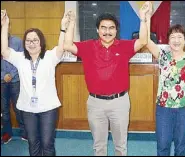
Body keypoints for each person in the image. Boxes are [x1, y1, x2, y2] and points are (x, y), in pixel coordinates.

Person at [63, 2, 149, 156]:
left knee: (120, 146)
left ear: (116, 30)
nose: (107, 31)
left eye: (111, 28)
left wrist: (143, 19)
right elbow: (68, 45)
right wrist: (71, 23)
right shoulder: (88, 46)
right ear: (98, 30)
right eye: (103, 28)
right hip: (95, 104)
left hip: (119, 103)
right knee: (99, 146)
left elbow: (143, 41)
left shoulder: (124, 47)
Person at [1, 9, 69, 156]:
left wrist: (63, 27)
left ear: (41, 42)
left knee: (47, 144)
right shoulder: (19, 58)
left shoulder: (50, 57)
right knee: (33, 143)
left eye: (35, 40)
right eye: (28, 40)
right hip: (27, 108)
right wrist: (4, 25)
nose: (31, 43)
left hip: (48, 109)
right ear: (24, 43)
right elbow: (4, 51)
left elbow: (62, 47)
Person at [145, 3, 185, 156]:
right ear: (168, 40)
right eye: (172, 37)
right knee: (163, 145)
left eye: (179, 37)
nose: (176, 40)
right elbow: (147, 41)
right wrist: (147, 18)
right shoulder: (162, 57)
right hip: (164, 108)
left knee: (181, 146)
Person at [1, 24, 27, 144]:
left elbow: (23, 60)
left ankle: (24, 133)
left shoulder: (17, 42)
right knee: (4, 109)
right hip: (1, 82)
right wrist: (3, 76)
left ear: (9, 27)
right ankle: (7, 134)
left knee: (18, 107)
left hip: (16, 80)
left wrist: (11, 74)